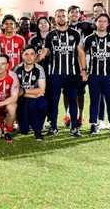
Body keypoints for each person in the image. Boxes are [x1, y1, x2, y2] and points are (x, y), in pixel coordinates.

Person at [38, 9, 87, 137]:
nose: (61, 18)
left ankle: (74, 127)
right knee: (53, 101)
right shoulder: (50, 35)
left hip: (72, 74)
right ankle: (53, 127)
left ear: (67, 18)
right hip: (54, 74)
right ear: (55, 19)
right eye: (58, 16)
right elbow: (44, 52)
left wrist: (83, 71)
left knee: (72, 101)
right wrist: (33, 60)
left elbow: (81, 53)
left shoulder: (75, 34)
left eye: (63, 16)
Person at [81, 14, 110, 136]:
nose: (102, 23)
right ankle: (93, 125)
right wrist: (84, 71)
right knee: (94, 101)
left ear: (108, 24)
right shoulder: (89, 39)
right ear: (95, 23)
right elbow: (80, 53)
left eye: (104, 21)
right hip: (94, 76)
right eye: (99, 21)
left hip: (109, 76)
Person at [14, 45, 48, 140]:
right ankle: (23, 123)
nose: (29, 57)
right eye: (26, 54)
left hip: (33, 99)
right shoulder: (17, 69)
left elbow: (42, 90)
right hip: (22, 101)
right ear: (22, 56)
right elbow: (15, 91)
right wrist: (30, 93)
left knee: (43, 103)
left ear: (36, 56)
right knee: (24, 130)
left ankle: (38, 131)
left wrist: (24, 91)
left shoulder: (39, 69)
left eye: (32, 54)